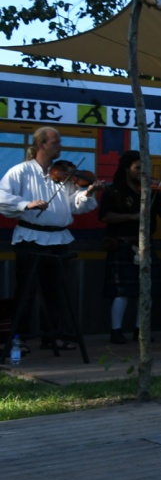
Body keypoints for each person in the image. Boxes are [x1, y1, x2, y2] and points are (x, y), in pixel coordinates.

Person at [0, 127, 104, 355]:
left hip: (58, 239)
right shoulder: (21, 171)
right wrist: (25, 204)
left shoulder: (65, 174)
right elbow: (2, 197)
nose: (60, 146)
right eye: (55, 142)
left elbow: (76, 205)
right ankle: (18, 339)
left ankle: (53, 337)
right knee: (26, 290)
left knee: (55, 290)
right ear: (41, 144)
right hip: (30, 238)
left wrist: (87, 193)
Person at [99, 150, 161, 344]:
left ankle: (140, 330)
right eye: (137, 168)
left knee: (146, 290)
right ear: (127, 168)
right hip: (122, 243)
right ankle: (116, 330)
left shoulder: (151, 191)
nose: (142, 172)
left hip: (145, 245)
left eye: (144, 168)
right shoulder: (115, 191)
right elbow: (105, 216)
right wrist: (132, 216)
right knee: (122, 291)